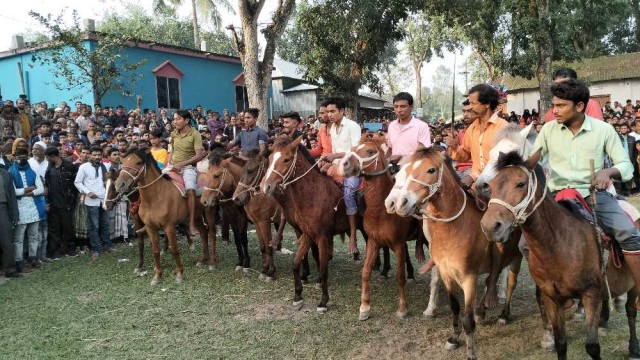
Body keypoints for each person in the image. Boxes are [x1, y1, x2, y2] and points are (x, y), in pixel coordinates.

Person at [528, 78, 640, 309]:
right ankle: (558, 291)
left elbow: (626, 166)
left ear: (579, 106)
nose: (554, 111)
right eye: (554, 105)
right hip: (556, 196)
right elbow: (532, 159)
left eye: (560, 106)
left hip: (593, 195)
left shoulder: (603, 130)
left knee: (628, 232)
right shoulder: (548, 129)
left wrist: (607, 172)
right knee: (524, 242)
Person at [445, 84, 509, 188]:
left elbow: (501, 162)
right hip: (475, 185)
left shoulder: (503, 127)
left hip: (498, 186)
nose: (470, 107)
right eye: (469, 103)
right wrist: (455, 146)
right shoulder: (472, 129)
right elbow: (465, 156)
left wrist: (473, 176)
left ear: (487, 104)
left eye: (473, 103)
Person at [320, 98, 362, 255]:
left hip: (352, 169)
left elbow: (357, 151)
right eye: (328, 112)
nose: (329, 114)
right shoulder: (332, 129)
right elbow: (334, 155)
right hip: (337, 168)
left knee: (349, 193)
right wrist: (327, 163)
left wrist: (335, 155)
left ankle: (353, 237)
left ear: (342, 111)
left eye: (333, 111)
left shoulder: (353, 126)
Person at [166, 110, 205, 236]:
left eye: (177, 119)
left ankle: (191, 223)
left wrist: (182, 164)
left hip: (188, 168)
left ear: (186, 120)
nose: (174, 121)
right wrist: (169, 164)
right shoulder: (173, 133)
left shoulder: (195, 134)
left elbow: (199, 156)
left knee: (191, 191)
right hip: (172, 167)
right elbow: (172, 151)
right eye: (174, 119)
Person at [75, 146, 114, 260]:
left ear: (102, 155)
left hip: (105, 199)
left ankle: (107, 246)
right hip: (92, 200)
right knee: (94, 226)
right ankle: (95, 250)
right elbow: (77, 182)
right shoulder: (84, 167)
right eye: (95, 155)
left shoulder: (107, 166)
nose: (97, 157)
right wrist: (88, 192)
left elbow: (111, 182)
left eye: (99, 155)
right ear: (90, 155)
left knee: (105, 224)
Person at [10, 147, 46, 271]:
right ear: (15, 158)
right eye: (19, 158)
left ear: (27, 157)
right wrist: (28, 189)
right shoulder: (11, 172)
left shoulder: (32, 171)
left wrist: (26, 193)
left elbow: (41, 189)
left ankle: (33, 259)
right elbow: (13, 191)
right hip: (19, 209)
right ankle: (19, 262)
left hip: (34, 207)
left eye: (24, 157)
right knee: (19, 238)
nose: (22, 160)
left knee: (33, 235)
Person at [45, 146, 78, 258]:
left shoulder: (69, 167)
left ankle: (70, 248)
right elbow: (47, 183)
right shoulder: (50, 167)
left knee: (68, 227)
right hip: (53, 202)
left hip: (67, 203)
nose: (47, 160)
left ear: (53, 156)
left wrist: (72, 199)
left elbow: (75, 184)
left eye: (48, 157)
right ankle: (55, 250)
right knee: (54, 228)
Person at [385, 92, 431, 163]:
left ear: (411, 107)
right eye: (396, 106)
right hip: (393, 169)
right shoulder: (392, 126)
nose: (399, 110)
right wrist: (385, 162)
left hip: (413, 170)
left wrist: (402, 158)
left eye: (403, 106)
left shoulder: (421, 126)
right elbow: (390, 148)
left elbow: (422, 152)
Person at [0, 166, 20, 277]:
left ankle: (10, 269)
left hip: (3, 208)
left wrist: (14, 214)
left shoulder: (6, 174)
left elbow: (12, 196)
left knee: (6, 240)